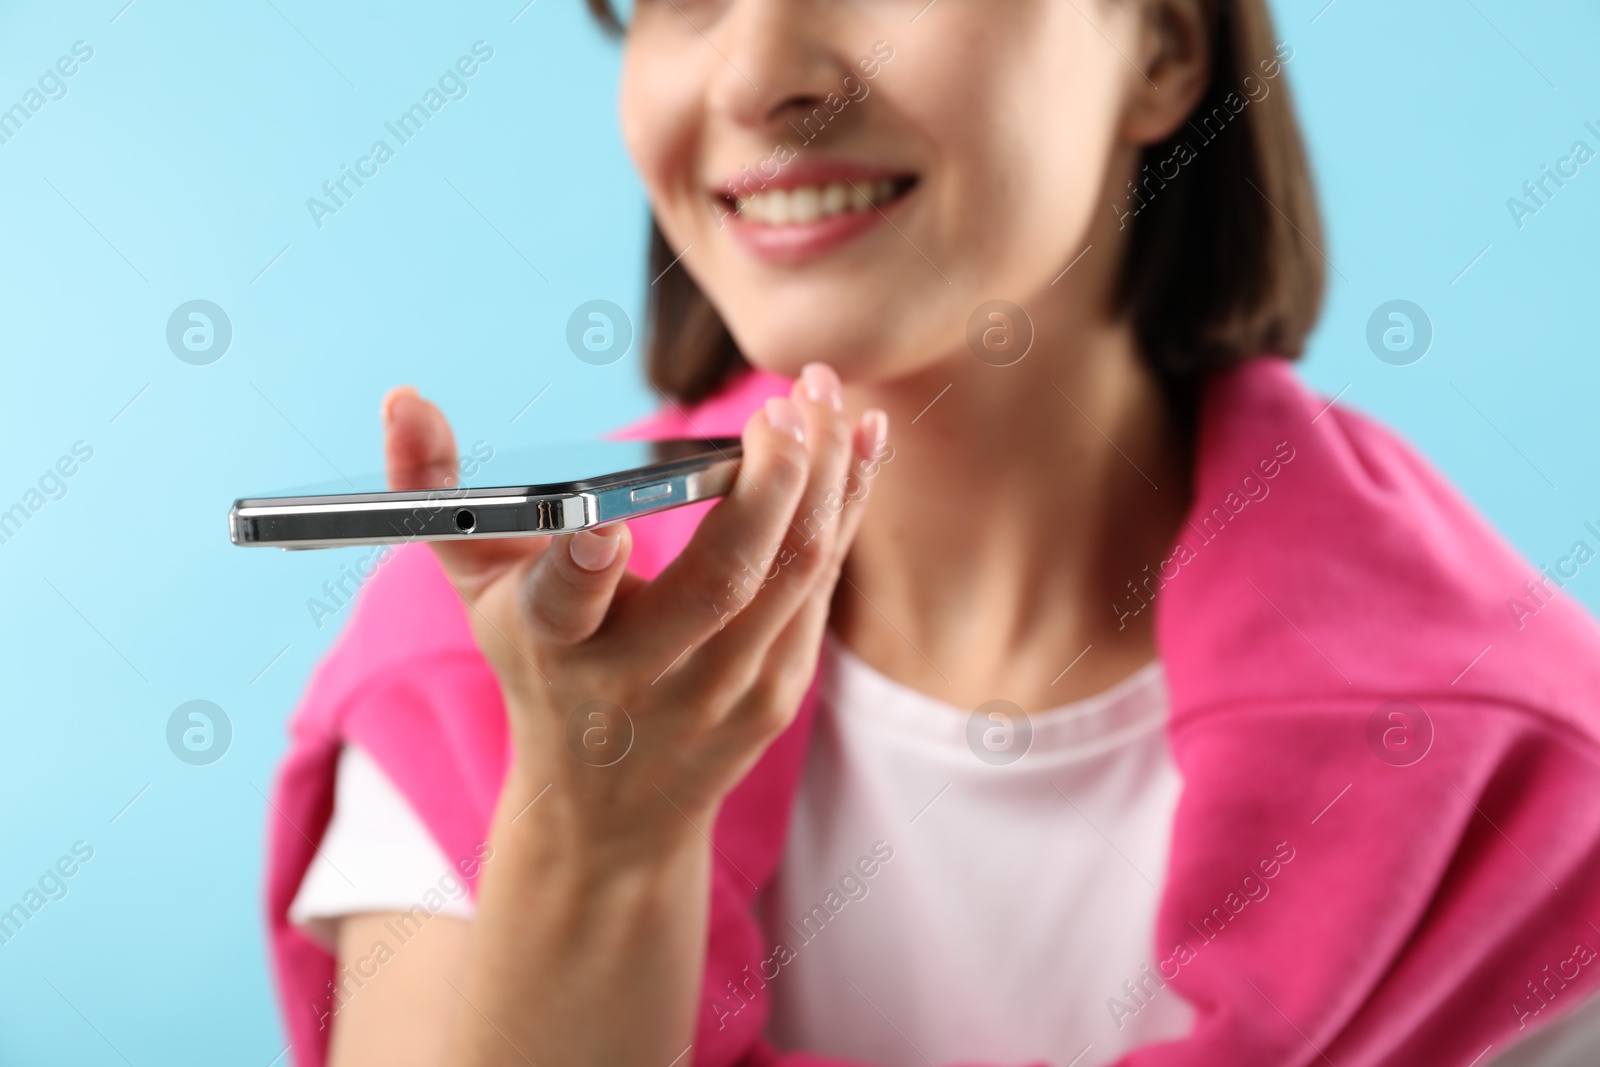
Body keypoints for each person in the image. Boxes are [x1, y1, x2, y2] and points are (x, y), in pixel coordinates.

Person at [263, 1, 1600, 1064]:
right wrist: (594, 842)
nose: (754, 76)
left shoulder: (1522, 783)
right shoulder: (484, 662)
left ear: (1162, 45)